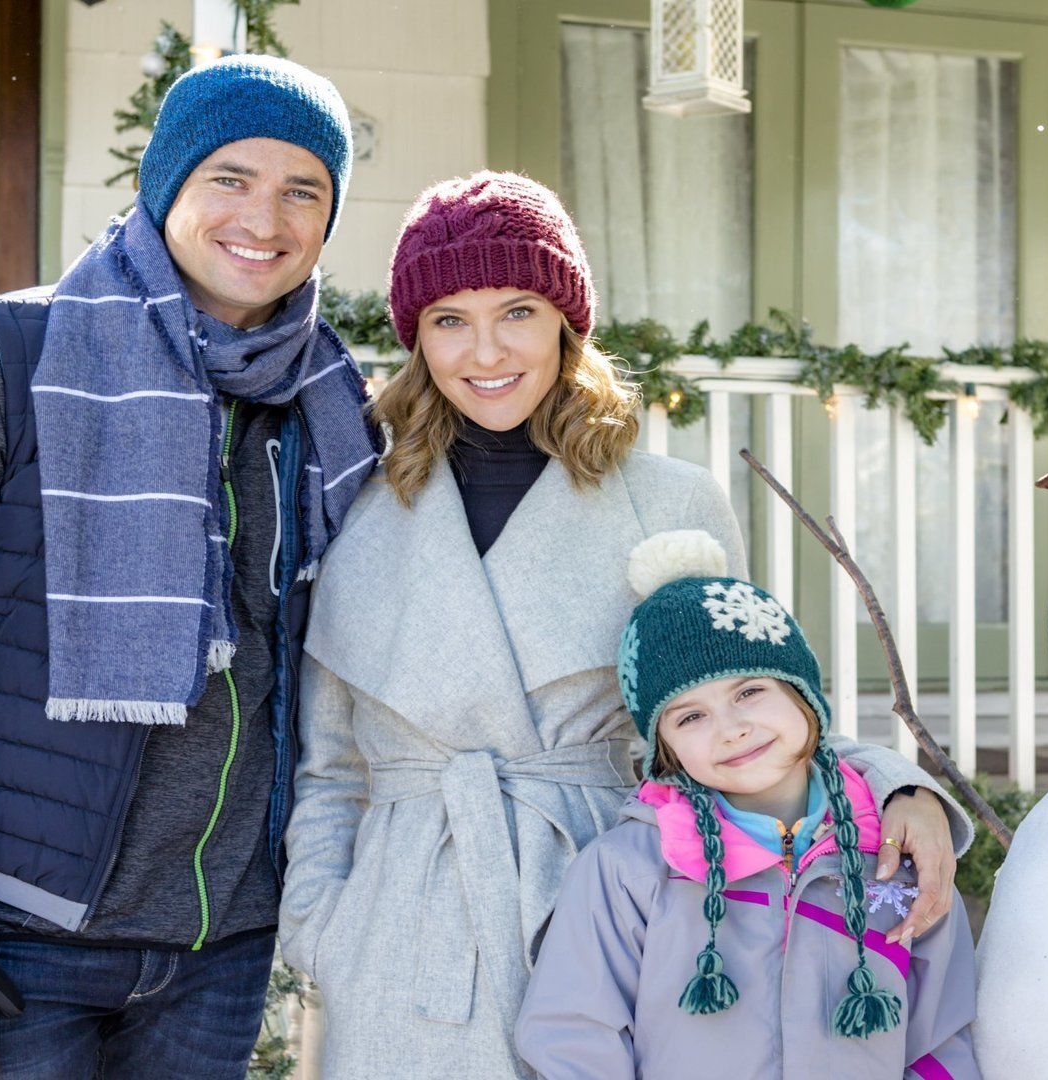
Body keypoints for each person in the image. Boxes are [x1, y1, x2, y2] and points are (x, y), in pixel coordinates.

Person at [277, 171, 972, 1077]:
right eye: (449, 319)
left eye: (517, 310)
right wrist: (326, 930)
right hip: (406, 938)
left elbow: (751, 707)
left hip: (629, 906)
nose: (485, 349)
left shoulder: (670, 502)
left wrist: (893, 786)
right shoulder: (358, 508)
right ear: (417, 340)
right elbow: (330, 770)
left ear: (567, 320)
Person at [0, 55, 375, 1079]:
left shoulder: (330, 407)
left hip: (220, 948)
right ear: (167, 183)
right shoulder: (0, 356)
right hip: (14, 932)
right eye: (230, 177)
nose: (265, 219)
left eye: (302, 190)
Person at [515, 530, 983, 1078]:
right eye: (690, 716)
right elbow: (572, 1033)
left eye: (749, 691)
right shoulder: (628, 870)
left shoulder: (897, 859)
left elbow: (939, 1038)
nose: (732, 729)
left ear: (803, 695)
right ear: (666, 749)